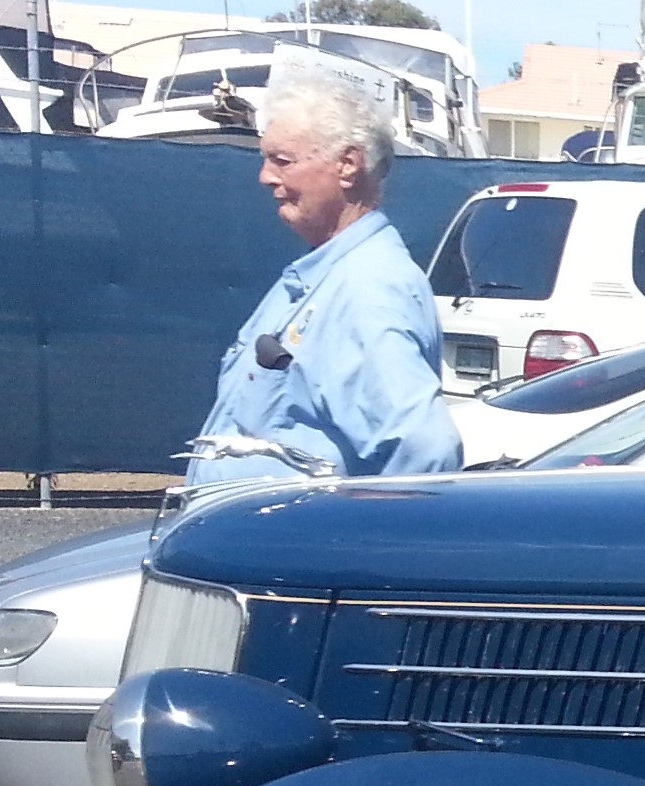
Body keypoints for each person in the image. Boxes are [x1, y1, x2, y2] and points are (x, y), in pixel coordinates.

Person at [185, 71, 460, 485]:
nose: (265, 177)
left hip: (289, 547)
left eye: (282, 160)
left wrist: (354, 546)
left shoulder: (367, 288)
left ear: (347, 165)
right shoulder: (321, 277)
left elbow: (424, 453)